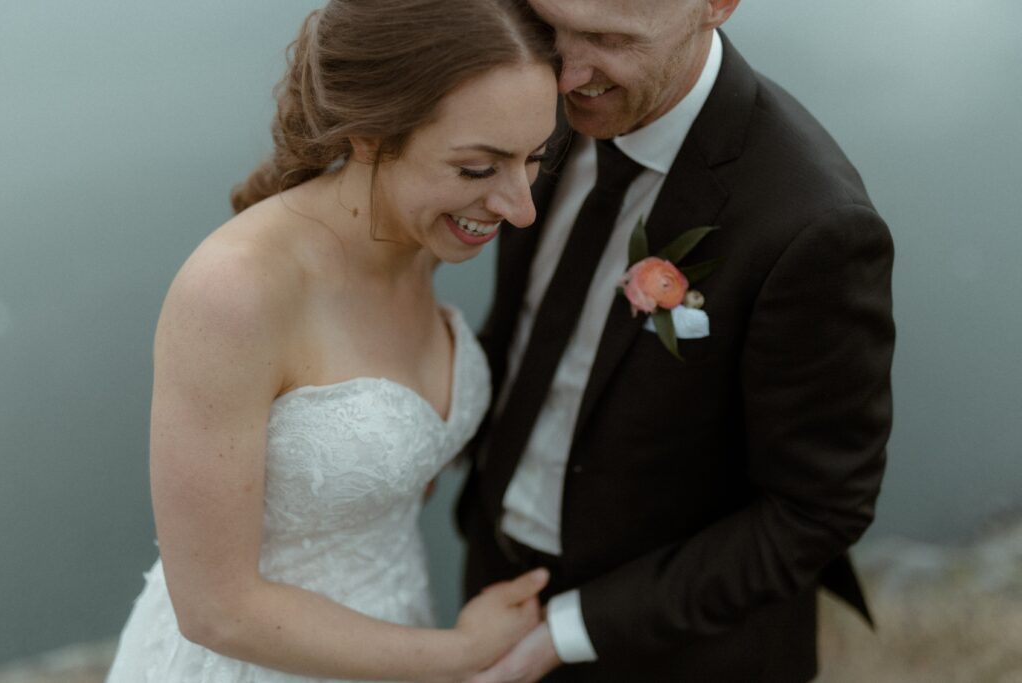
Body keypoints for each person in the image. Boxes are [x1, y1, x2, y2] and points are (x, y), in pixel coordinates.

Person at [105, 1, 560, 681]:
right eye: (477, 169)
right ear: (370, 136)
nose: (520, 207)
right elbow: (216, 610)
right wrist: (460, 653)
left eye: (535, 159)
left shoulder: (418, 238)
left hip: (386, 630)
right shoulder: (232, 294)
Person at [457, 0, 895, 681]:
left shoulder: (813, 226)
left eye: (606, 38)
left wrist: (564, 631)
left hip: (677, 649)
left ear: (715, 5)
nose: (563, 76)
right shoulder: (538, 101)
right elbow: (521, 331)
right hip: (492, 577)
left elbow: (816, 511)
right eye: (547, 26)